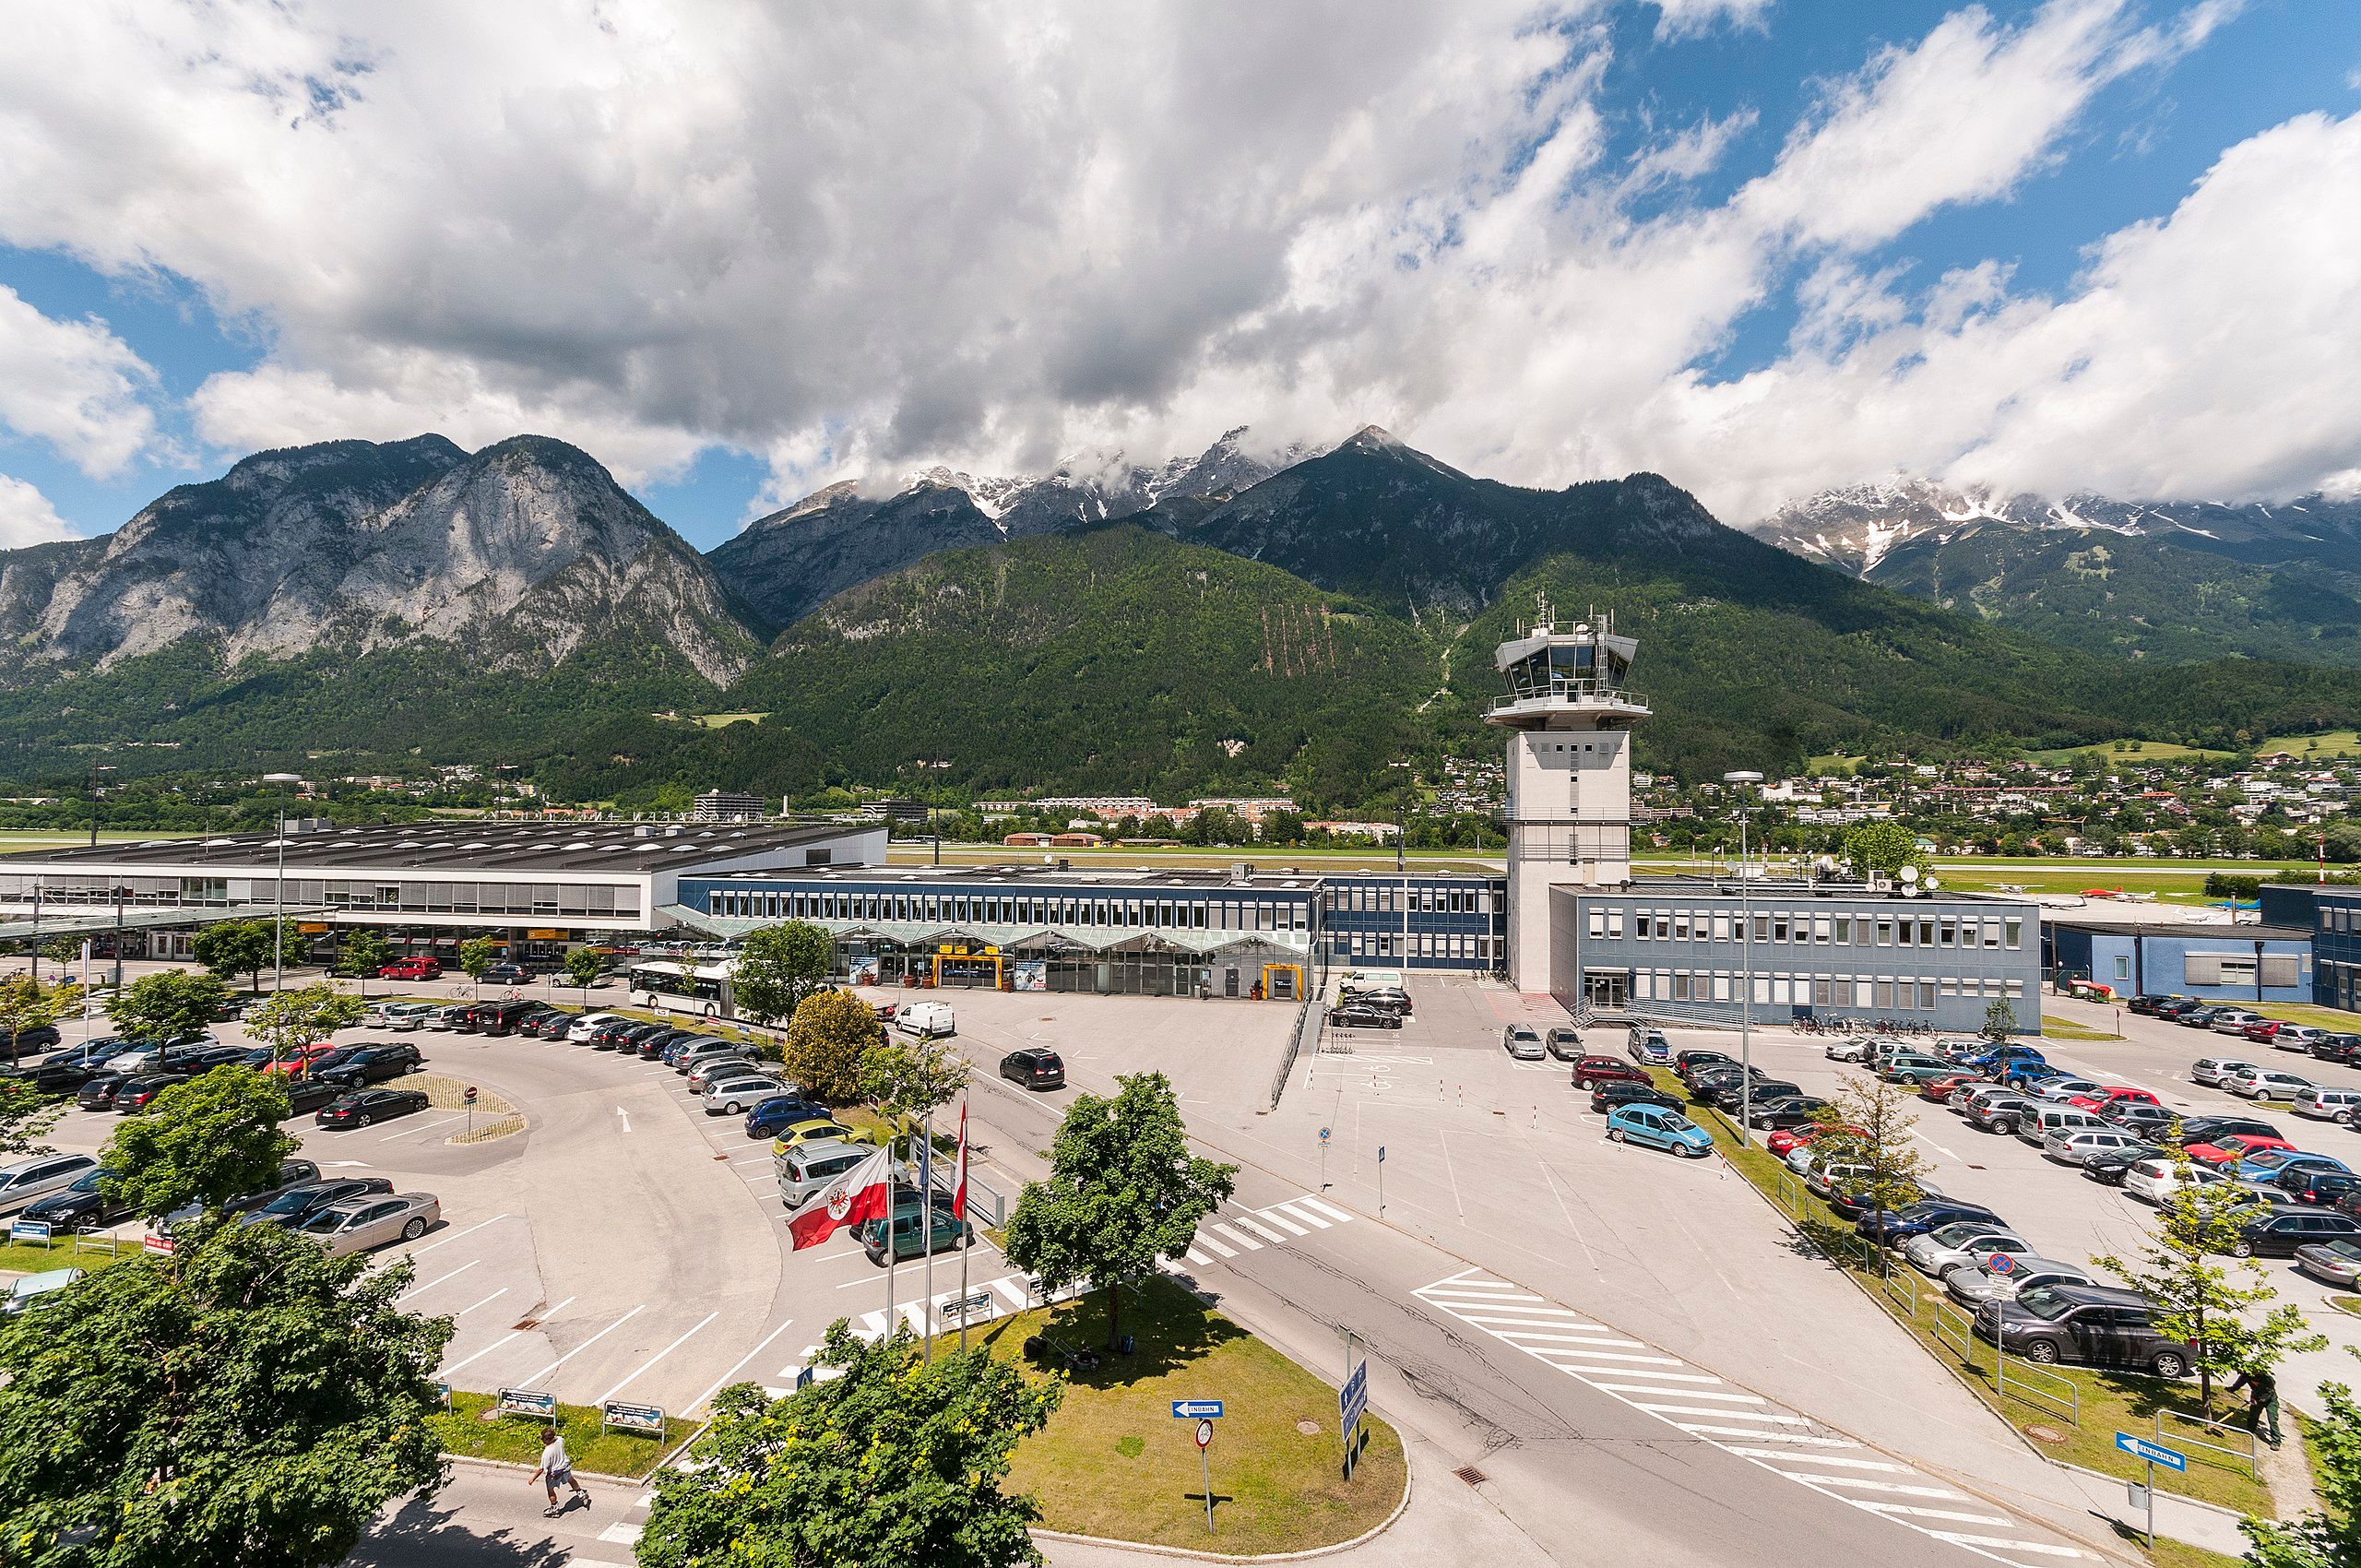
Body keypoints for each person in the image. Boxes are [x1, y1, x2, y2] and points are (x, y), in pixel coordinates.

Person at [530, 1424, 591, 1516]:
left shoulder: (547, 1452)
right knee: (570, 1479)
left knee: (550, 1490)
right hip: (564, 1468)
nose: (542, 1440)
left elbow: (542, 1468)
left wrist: (532, 1479)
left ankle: (554, 1508)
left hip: (554, 1473)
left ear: (547, 1440)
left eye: (543, 1438)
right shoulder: (560, 1440)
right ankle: (580, 1492)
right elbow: (558, 1438)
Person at [2233, 1367, 2283, 1449]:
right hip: (2256, 1397)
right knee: (2253, 1415)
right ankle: (2250, 1430)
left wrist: (2258, 1400)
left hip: (2270, 1400)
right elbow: (2240, 1382)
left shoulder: (2267, 1379)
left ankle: (2276, 1442)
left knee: (2272, 1419)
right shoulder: (2246, 1375)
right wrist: (2233, 1389)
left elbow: (2269, 1393)